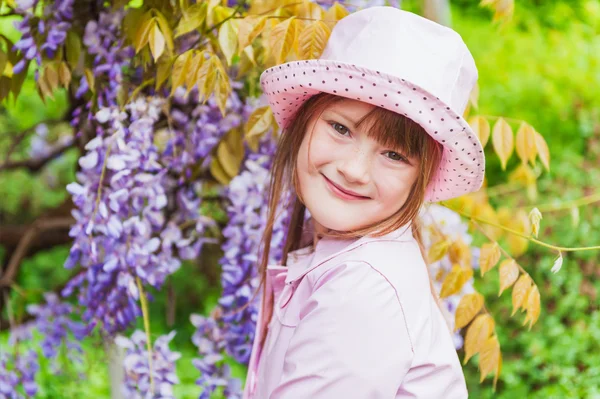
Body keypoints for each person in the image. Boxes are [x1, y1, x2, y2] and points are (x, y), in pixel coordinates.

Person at [243, 6, 484, 399]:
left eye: (394, 155)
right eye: (340, 128)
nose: (355, 170)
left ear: (419, 179)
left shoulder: (363, 288)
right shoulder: (347, 261)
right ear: (305, 120)